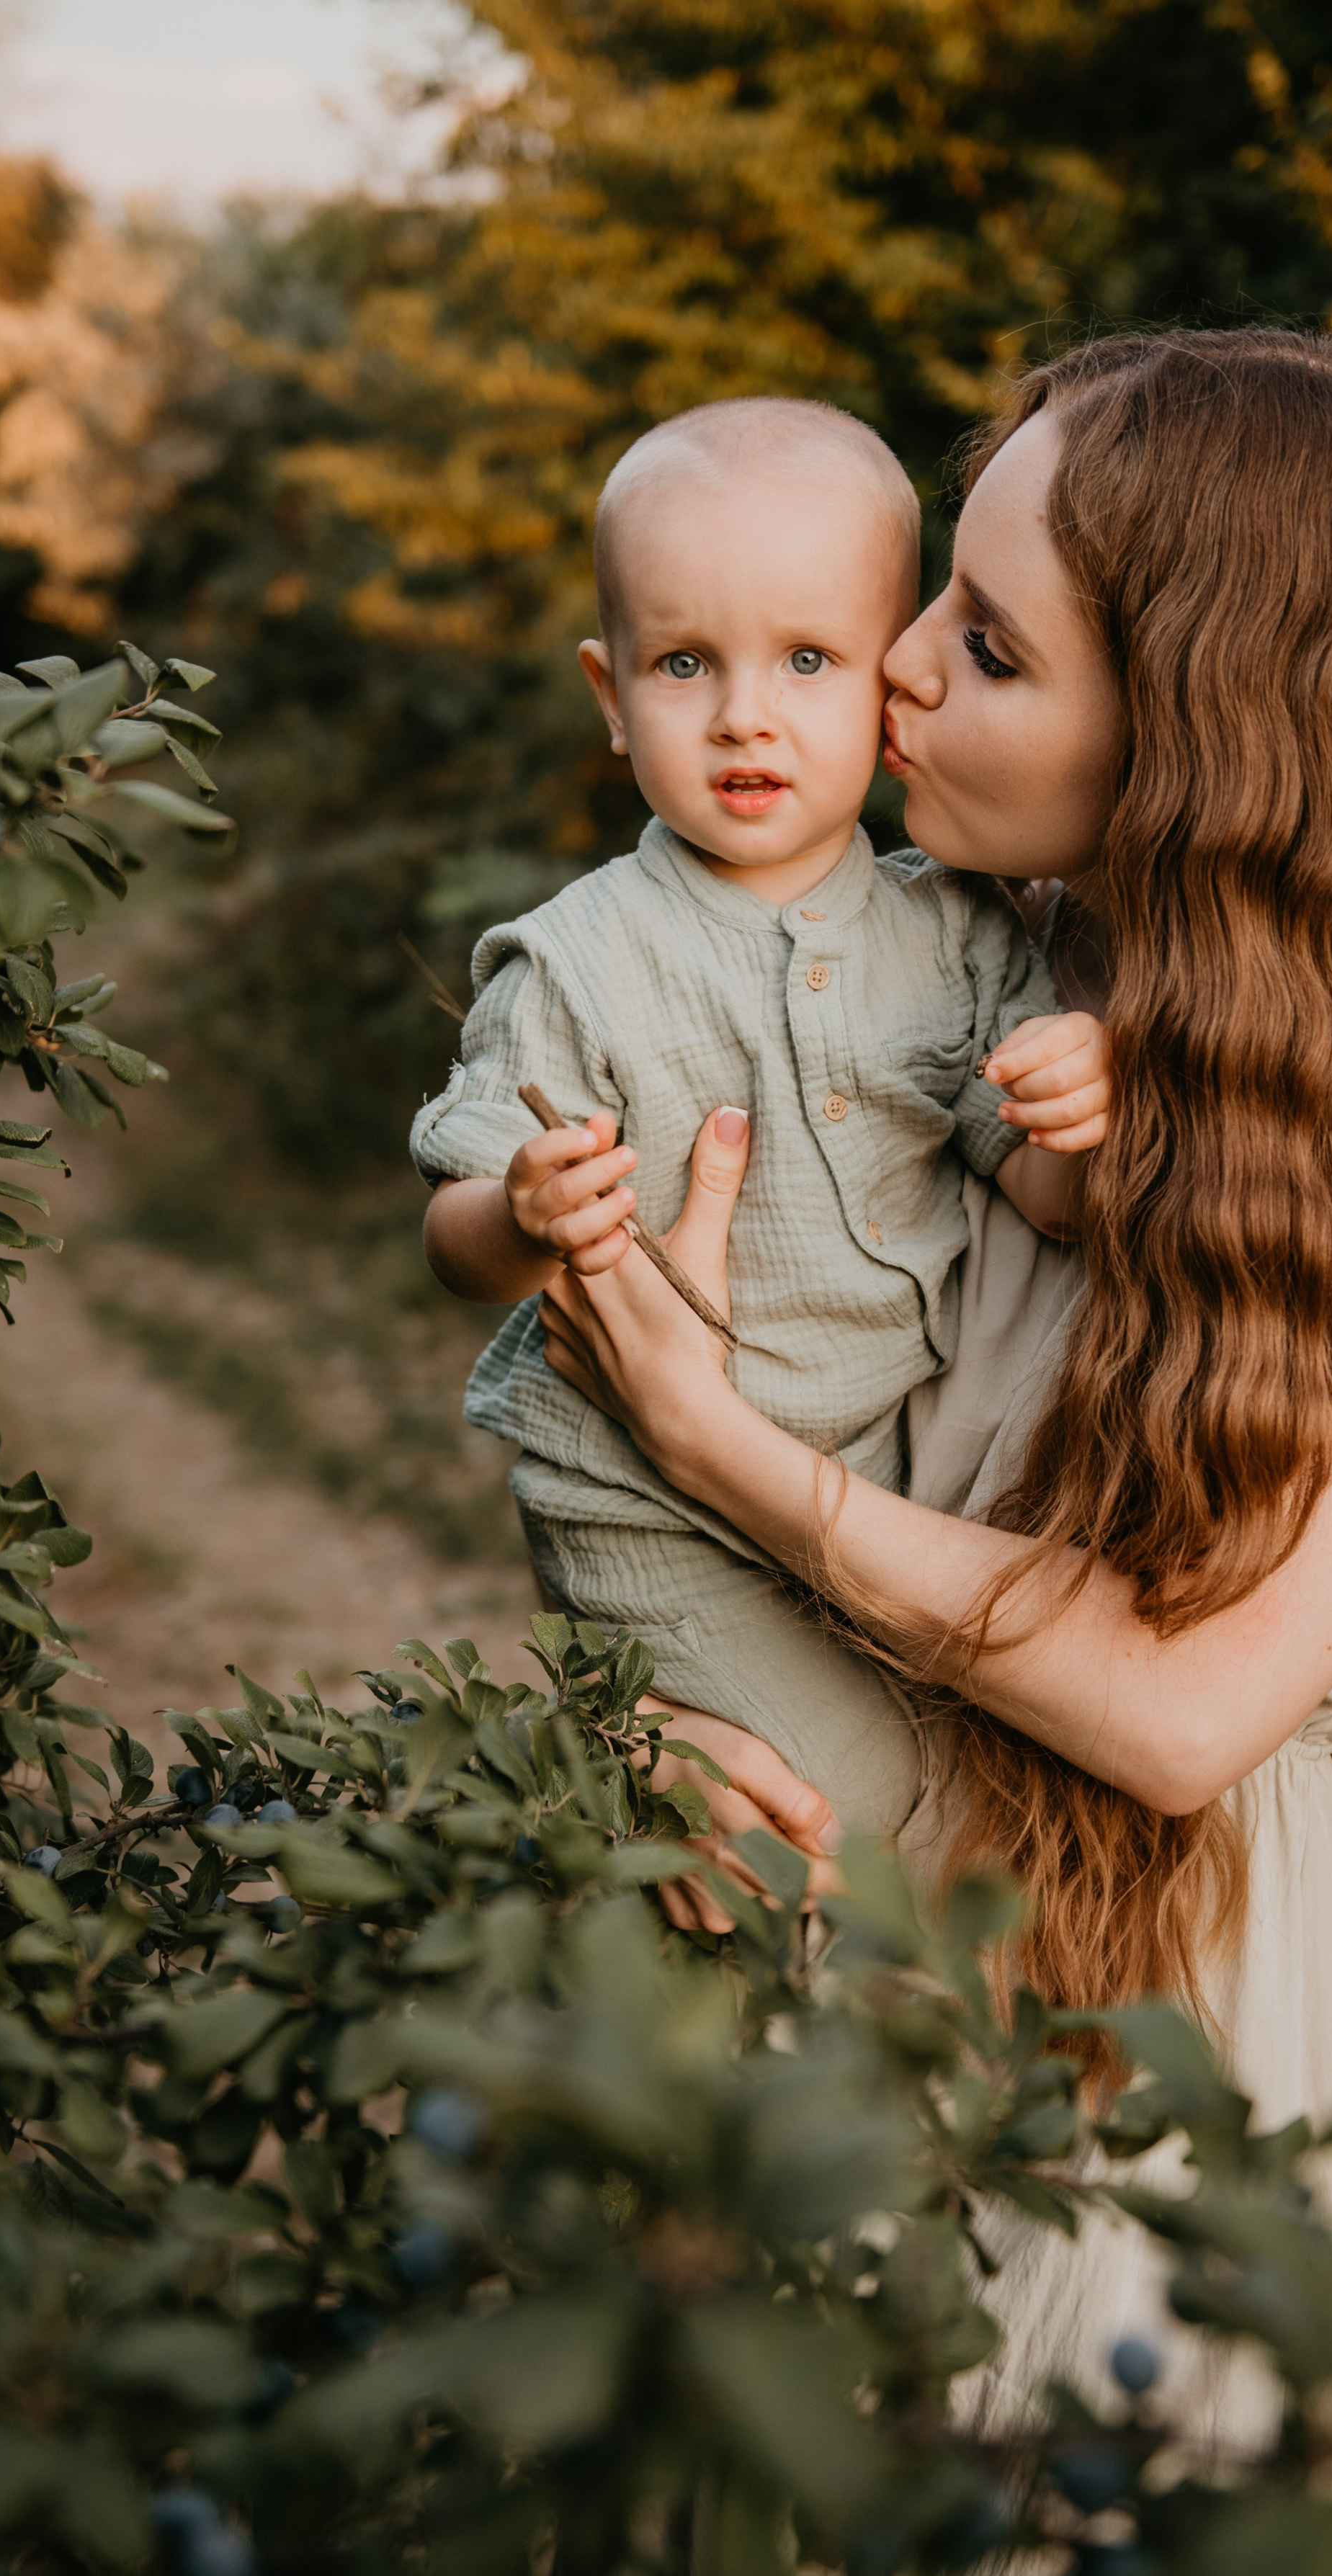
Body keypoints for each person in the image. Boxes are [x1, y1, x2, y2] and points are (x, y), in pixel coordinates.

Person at [534, 328, 1332, 2576]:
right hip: (791, 1946)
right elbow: (597, 1414)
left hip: (1133, 2025)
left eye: (990, 644)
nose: (893, 665)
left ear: (1210, 727)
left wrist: (727, 1453)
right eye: (939, 598)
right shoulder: (912, 966)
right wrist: (637, 1719)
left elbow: (1188, 1704)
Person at [414, 396, 1112, 1869]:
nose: (743, 713)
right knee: (841, 1816)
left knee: (961, 1791)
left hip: (869, 1485)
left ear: (890, 686)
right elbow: (453, 1242)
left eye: (806, 660)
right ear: (612, 695)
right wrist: (522, 1214)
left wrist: (1082, 1098)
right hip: (650, 1511)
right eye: (685, 664)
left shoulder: (954, 932)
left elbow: (1051, 1201)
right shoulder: (578, 961)